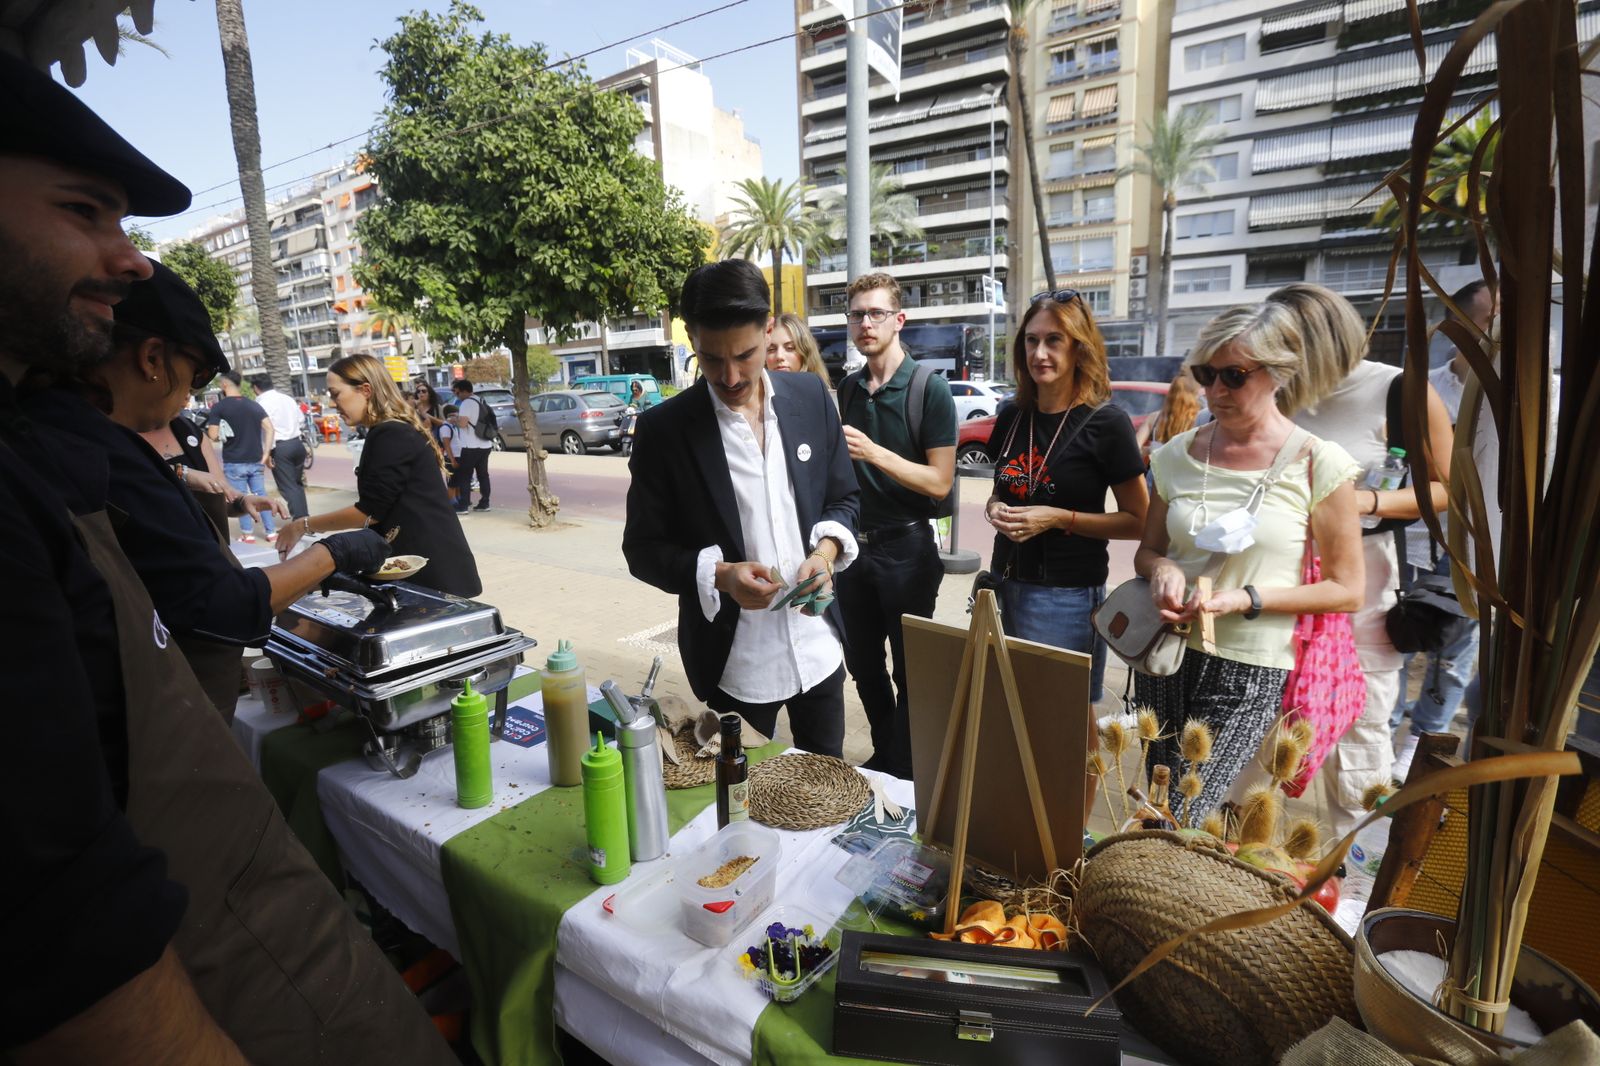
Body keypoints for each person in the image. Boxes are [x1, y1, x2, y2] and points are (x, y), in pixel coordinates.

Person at [0, 51, 454, 1063]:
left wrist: (198, 488)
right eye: (86, 211)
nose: (130, 259)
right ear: (157, 362)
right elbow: (56, 919)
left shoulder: (58, 446)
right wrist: (331, 555)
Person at [32, 258, 390, 717]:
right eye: (197, 373)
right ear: (152, 358)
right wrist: (333, 553)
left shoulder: (61, 432)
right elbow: (225, 607)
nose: (190, 393)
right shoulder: (98, 450)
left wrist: (238, 502)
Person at [1134, 303, 1365, 819]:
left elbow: (1347, 588)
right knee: (1157, 804)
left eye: (1234, 376)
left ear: (1279, 372)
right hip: (1164, 651)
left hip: (1251, 663)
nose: (1215, 391)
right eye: (1205, 374)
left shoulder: (1316, 461)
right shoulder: (1174, 455)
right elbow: (1148, 552)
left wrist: (1245, 598)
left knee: (1183, 811)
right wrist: (1163, 569)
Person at [623, 261, 860, 754]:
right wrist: (720, 575)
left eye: (746, 356)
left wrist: (827, 553)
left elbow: (844, 496)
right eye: (710, 359)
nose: (729, 377)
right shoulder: (665, 432)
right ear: (690, 337)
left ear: (769, 328)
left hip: (817, 648)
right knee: (740, 797)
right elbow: (642, 550)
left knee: (828, 786)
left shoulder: (811, 395)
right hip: (736, 662)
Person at [1268, 283, 1454, 836]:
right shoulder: (1273, 390)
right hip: (1274, 578)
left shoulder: (1399, 391)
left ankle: (1355, 880)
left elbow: (1445, 490)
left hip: (1365, 577)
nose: (1277, 356)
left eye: (1287, 344)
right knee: (1266, 722)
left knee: (1361, 724)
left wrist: (1360, 501)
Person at [981, 290, 1148, 703]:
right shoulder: (1011, 415)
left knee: (1064, 725)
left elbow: (1139, 522)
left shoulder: (1106, 423)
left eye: (1054, 340)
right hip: (1003, 583)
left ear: (1079, 348)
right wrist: (994, 507)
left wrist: (1059, 518)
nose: (1040, 352)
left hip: (1066, 597)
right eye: (1031, 340)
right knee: (1013, 714)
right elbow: (1002, 489)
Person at [835, 272, 957, 778]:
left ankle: (908, 767)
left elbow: (939, 481)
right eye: (858, 314)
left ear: (898, 320)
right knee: (862, 667)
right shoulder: (847, 389)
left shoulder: (929, 389)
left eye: (876, 313)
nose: (866, 323)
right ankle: (888, 753)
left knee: (910, 670)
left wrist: (875, 453)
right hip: (852, 553)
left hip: (907, 549)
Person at [1389, 280, 1496, 779]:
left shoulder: (1540, 396)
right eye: (1484, 319)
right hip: (1414, 537)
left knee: (1455, 652)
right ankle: (1382, 733)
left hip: (1480, 545)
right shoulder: (1422, 389)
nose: (1492, 331)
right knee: (1398, 637)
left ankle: (1420, 742)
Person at [276, 353, 482, 599]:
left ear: (365, 390)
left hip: (433, 570)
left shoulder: (390, 433)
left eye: (335, 393)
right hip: (421, 566)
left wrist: (302, 525)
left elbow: (369, 513)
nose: (333, 403)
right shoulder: (386, 431)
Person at [141, 398, 234, 537]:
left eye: (190, 391)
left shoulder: (188, 429)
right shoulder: (116, 436)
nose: (186, 397)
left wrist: (242, 502)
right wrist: (182, 473)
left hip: (206, 546)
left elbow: (221, 497)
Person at [205, 369, 276, 543]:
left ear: (224, 384)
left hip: (234, 460)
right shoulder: (253, 405)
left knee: (240, 497)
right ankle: (271, 532)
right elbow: (270, 428)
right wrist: (266, 453)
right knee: (261, 495)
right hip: (256, 459)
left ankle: (247, 534)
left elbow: (212, 436)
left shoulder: (219, 407)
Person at [253, 373, 307, 519]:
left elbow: (265, 430)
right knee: (296, 485)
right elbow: (301, 420)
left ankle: (300, 522)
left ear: (256, 388)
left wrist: (267, 452)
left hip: (280, 447)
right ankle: (304, 519)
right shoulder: (287, 399)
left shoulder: (261, 403)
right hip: (297, 443)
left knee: (288, 488)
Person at [1136, 368, 1203, 466]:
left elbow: (1134, 450)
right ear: (1194, 395)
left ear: (1171, 393)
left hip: (1156, 477)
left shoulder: (1154, 418)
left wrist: (1151, 449)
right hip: (1186, 476)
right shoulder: (1200, 419)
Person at [450, 377, 493, 513]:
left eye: (457, 393)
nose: (457, 396)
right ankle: (485, 503)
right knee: (483, 475)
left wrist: (454, 420)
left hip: (470, 446)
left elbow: (463, 424)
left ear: (464, 391)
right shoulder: (480, 400)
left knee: (465, 475)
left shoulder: (466, 403)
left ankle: (463, 506)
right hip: (485, 444)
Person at [767, 311, 832, 391]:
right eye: (771, 349)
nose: (779, 356)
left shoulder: (819, 395)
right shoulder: (754, 399)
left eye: (790, 348)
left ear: (805, 352)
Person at [439, 401, 461, 504]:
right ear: (450, 416)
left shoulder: (453, 427)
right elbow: (447, 445)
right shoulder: (445, 428)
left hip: (457, 456)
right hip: (451, 458)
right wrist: (452, 460)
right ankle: (450, 503)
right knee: (452, 482)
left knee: (457, 481)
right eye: (456, 415)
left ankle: (457, 499)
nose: (457, 417)